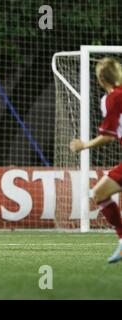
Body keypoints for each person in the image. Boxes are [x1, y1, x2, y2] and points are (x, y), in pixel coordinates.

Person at [70, 57, 122, 263]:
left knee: (99, 193)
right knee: (103, 192)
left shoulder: (112, 98)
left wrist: (84, 145)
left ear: (101, 79)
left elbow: (108, 135)